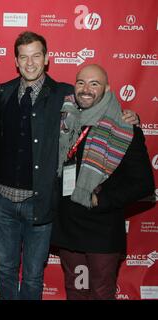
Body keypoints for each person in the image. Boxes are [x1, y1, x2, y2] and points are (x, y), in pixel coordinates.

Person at [0, 32, 138, 300]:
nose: (30, 62)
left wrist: (129, 115)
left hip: (42, 201)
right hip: (3, 202)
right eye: (24, 57)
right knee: (6, 269)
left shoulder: (65, 95)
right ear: (15, 61)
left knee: (34, 275)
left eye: (36, 56)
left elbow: (99, 104)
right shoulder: (2, 93)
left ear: (47, 59)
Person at [51, 64, 155, 300]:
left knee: (100, 292)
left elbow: (144, 184)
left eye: (94, 84)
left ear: (107, 89)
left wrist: (102, 199)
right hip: (69, 226)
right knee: (76, 290)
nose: (86, 89)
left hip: (102, 229)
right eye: (81, 83)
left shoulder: (124, 128)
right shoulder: (64, 121)